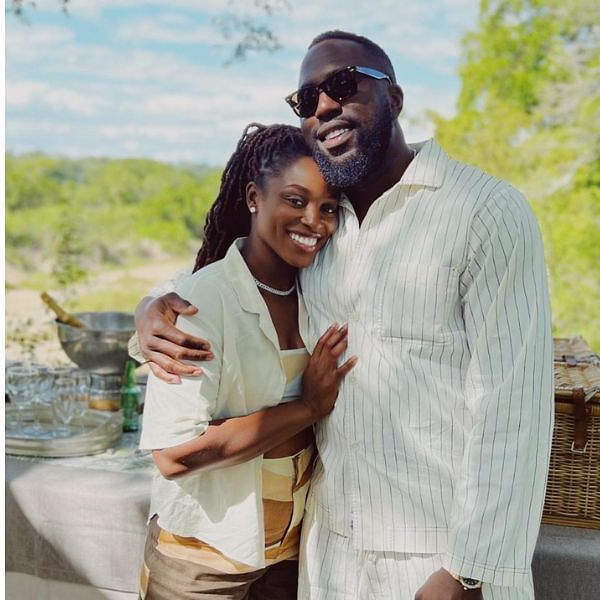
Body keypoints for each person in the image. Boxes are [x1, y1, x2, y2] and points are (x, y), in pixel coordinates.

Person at [133, 30, 551, 600]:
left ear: (395, 99)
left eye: (343, 85)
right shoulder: (324, 229)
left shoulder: (484, 212)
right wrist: (149, 310)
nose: (324, 106)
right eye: (306, 100)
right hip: (330, 559)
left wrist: (467, 571)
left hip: (437, 561)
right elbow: (228, 277)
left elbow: (515, 409)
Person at [137, 123, 355, 599]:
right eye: (295, 201)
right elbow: (172, 455)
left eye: (328, 208)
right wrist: (307, 408)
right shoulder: (202, 303)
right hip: (204, 554)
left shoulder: (321, 289)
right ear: (255, 197)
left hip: (291, 553)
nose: (314, 222)